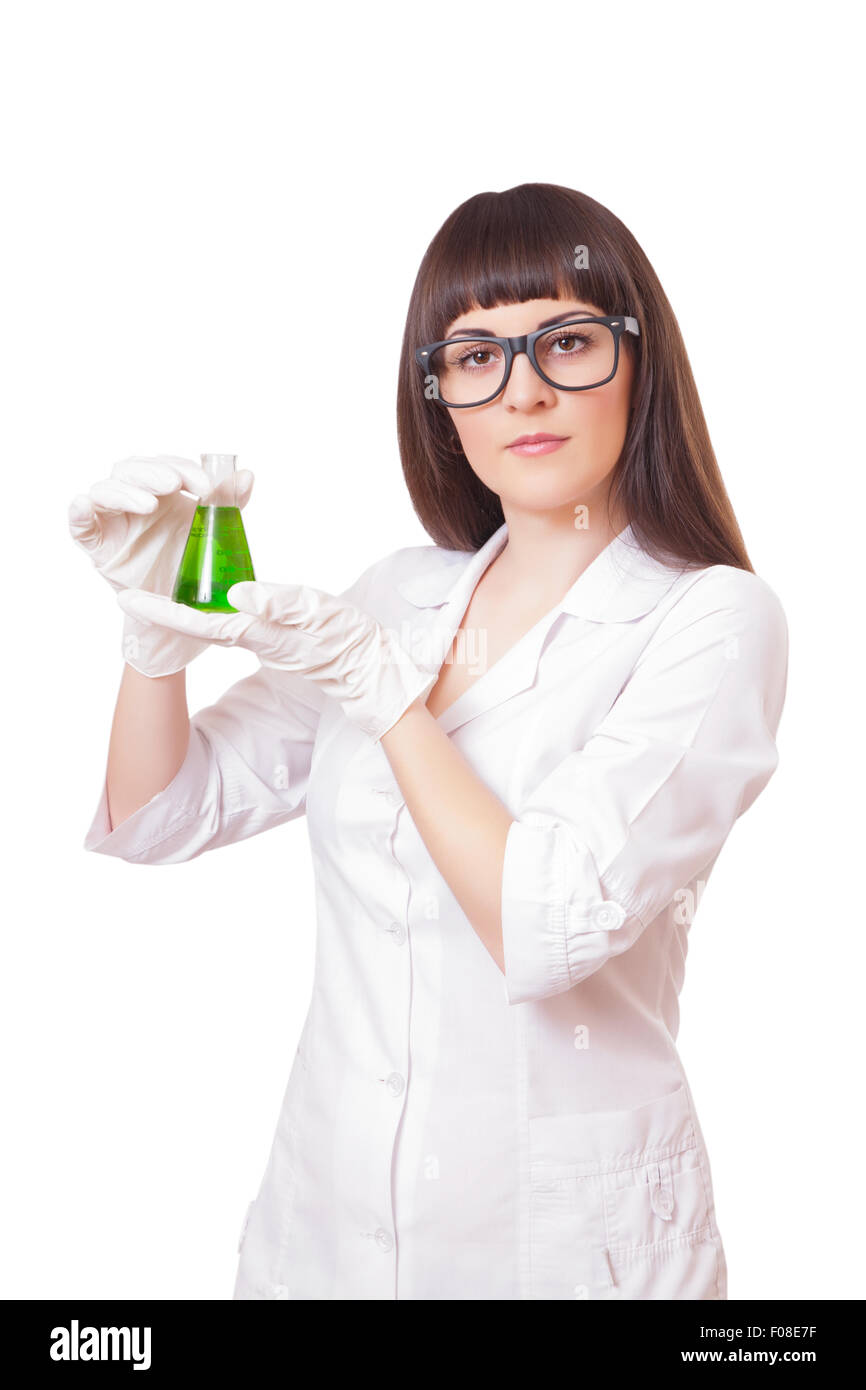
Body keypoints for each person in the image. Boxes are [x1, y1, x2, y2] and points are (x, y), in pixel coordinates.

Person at [69, 182, 789, 1301]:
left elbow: (547, 925)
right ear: (439, 398)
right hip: (322, 1228)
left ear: (637, 360)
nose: (523, 392)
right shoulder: (401, 596)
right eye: (473, 358)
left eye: (566, 340)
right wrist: (153, 640)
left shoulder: (708, 621)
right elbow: (165, 811)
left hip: (554, 1247)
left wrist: (386, 697)